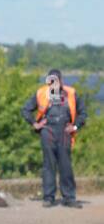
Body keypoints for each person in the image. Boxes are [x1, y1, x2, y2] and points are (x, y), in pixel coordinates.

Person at [21, 69, 84, 208]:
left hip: (64, 132)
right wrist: (34, 123)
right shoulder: (41, 93)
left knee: (65, 165)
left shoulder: (71, 93)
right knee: (49, 165)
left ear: (61, 80)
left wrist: (74, 127)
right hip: (47, 130)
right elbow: (25, 109)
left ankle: (69, 197)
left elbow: (83, 113)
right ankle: (48, 197)